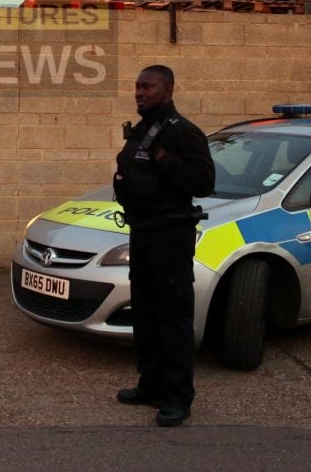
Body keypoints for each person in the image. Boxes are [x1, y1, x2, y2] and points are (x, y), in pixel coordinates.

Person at [112, 64, 215, 427]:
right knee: (146, 316)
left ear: (168, 90)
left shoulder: (183, 133)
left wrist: (163, 158)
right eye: (137, 87)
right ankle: (151, 384)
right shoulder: (141, 130)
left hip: (171, 237)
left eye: (148, 87)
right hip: (142, 234)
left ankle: (177, 399)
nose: (140, 93)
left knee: (172, 319)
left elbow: (204, 181)